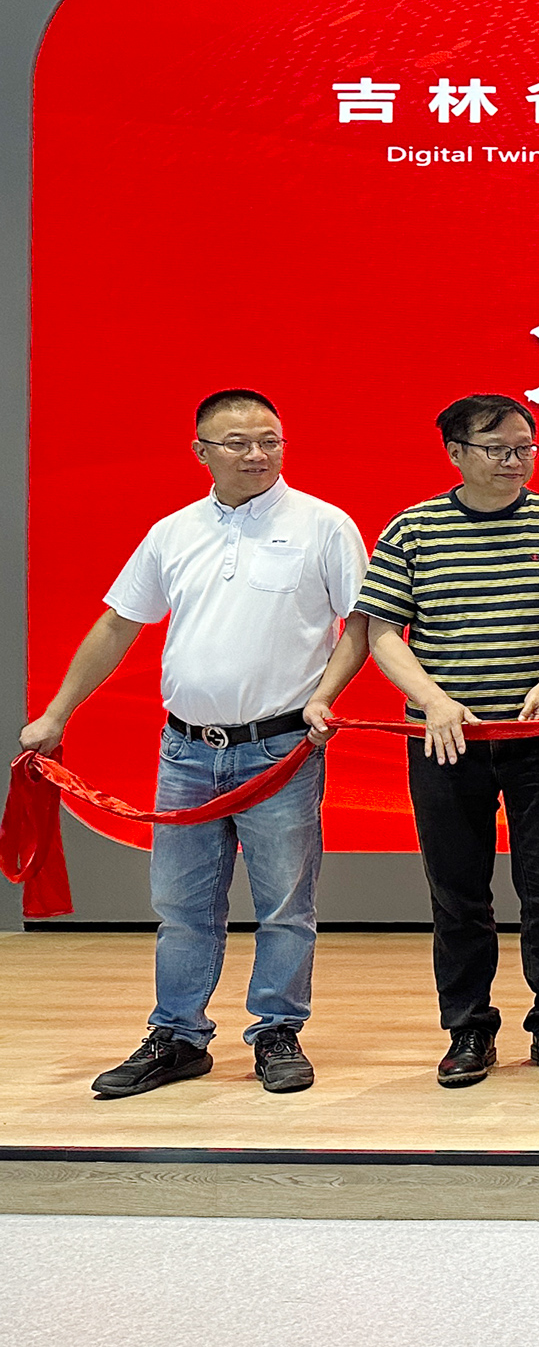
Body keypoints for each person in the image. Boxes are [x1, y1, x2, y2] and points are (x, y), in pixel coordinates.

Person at [21, 391, 369, 1099]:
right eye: (237, 442)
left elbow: (361, 624)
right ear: (201, 451)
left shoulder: (324, 525)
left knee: (285, 905)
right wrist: (57, 713)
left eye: (270, 440)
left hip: (281, 750)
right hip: (185, 752)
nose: (257, 454)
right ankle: (177, 1037)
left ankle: (277, 1031)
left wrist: (324, 696)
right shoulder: (172, 532)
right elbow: (119, 624)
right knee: (181, 906)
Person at [356, 394, 539, 1088]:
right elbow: (382, 631)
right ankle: (468, 1027)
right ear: (456, 452)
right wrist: (433, 700)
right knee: (457, 891)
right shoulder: (413, 529)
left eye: (525, 447)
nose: (514, 461)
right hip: (444, 740)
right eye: (497, 449)